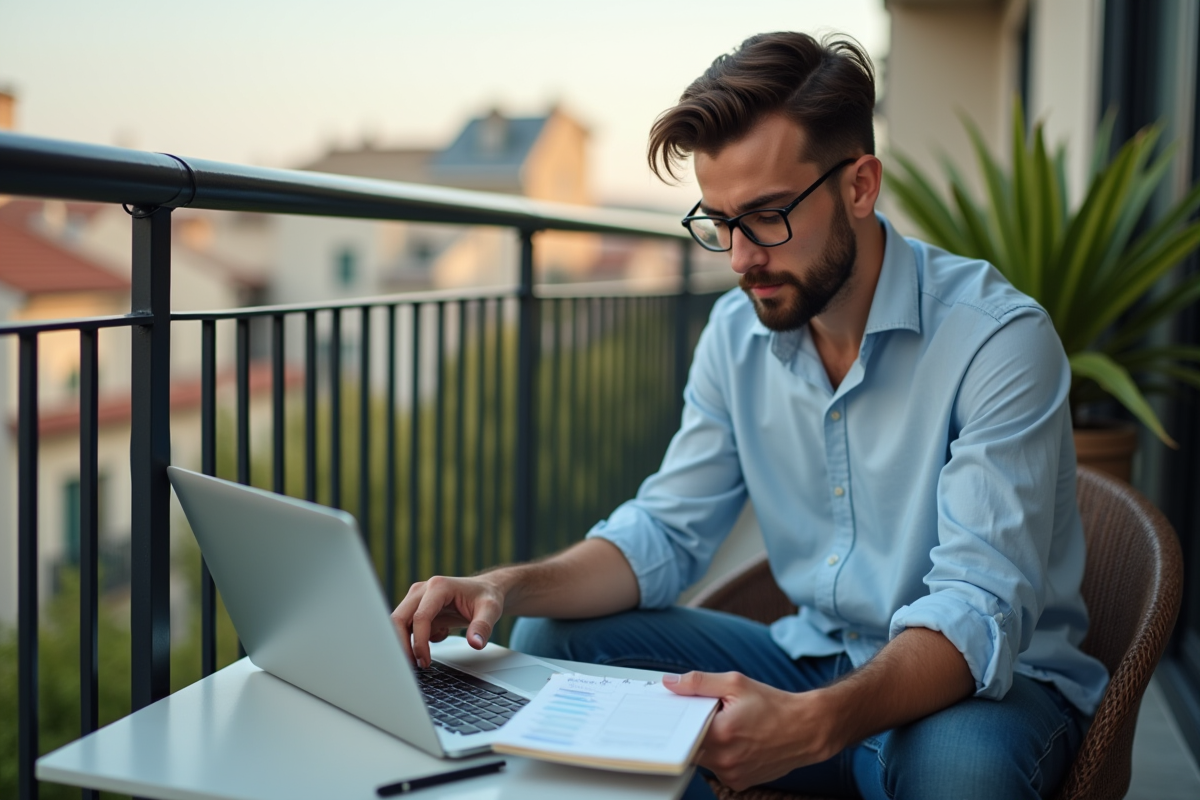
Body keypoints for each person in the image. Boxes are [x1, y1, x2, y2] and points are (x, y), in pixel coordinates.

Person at [391, 32, 1108, 800]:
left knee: (959, 775)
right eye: (720, 221)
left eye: (767, 217)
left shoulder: (997, 339)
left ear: (860, 186)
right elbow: (664, 532)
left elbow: (977, 610)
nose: (739, 259)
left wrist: (813, 724)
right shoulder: (737, 337)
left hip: (976, 687)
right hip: (811, 655)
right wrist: (502, 585)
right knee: (553, 635)